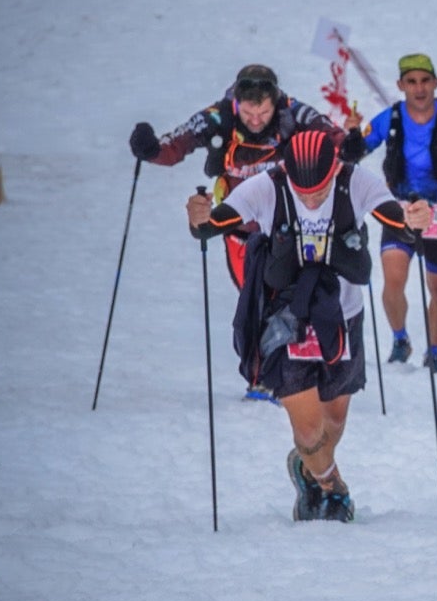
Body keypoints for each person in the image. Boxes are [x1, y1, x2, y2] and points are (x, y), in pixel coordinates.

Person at [186, 131, 432, 522]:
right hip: (287, 322)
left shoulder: (356, 181)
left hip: (343, 318)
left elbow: (397, 220)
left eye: (319, 190)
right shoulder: (267, 186)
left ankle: (308, 471)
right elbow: (212, 225)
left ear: (334, 168)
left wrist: (417, 219)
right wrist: (199, 216)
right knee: (310, 432)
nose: (311, 199)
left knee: (332, 425)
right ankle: (335, 488)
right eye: (303, 191)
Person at [130, 63, 353, 401]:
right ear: (236, 101)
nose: (255, 119)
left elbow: (332, 136)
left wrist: (350, 145)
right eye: (248, 111)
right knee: (254, 301)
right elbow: (175, 145)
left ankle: (292, 373)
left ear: (274, 100)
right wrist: (150, 150)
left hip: (284, 225)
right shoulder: (218, 117)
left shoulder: (292, 112)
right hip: (237, 227)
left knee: (288, 298)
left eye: (263, 110)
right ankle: (261, 373)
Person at [343, 53, 437, 375]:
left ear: (435, 83)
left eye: (425, 81)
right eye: (411, 82)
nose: (419, 88)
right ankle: (400, 339)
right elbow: (353, 155)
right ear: (401, 85)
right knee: (393, 279)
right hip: (399, 207)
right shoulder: (390, 118)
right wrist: (352, 134)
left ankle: (434, 352)